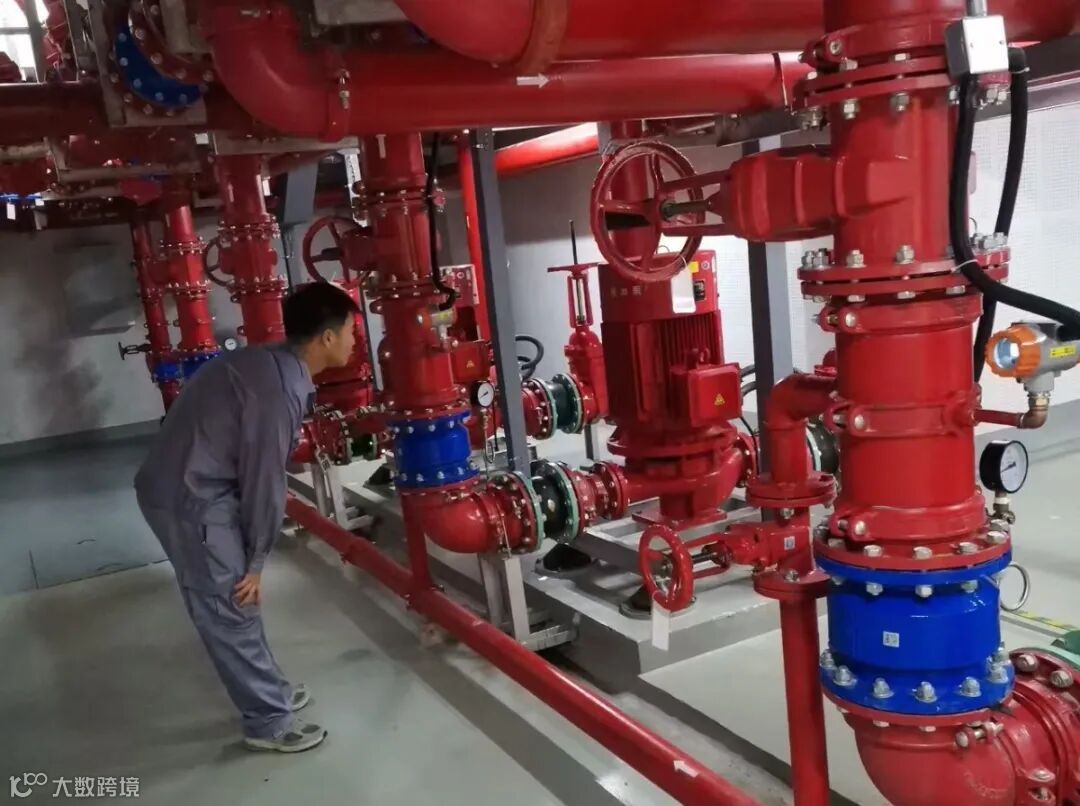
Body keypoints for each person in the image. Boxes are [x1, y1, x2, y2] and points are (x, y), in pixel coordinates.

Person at [135, 282, 359, 753]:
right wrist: (256, 561)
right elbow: (263, 482)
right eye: (351, 331)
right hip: (190, 497)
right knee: (231, 603)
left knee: (235, 600)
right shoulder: (278, 389)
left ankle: (270, 691)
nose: (355, 341)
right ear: (327, 338)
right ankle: (268, 722)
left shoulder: (272, 363)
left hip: (192, 482)